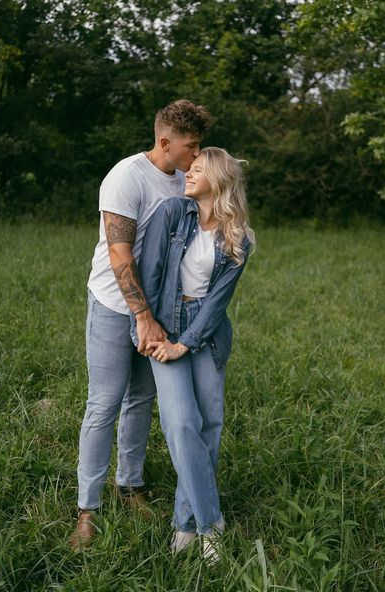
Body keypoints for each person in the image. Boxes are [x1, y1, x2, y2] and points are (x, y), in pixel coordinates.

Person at [70, 100, 212, 550]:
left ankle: (128, 486)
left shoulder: (183, 182)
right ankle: (87, 509)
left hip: (161, 312)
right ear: (165, 141)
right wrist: (142, 317)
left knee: (141, 401)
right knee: (104, 405)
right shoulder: (126, 177)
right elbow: (119, 255)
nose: (196, 156)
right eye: (190, 146)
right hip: (116, 306)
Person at [133, 147, 255, 562]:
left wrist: (186, 343)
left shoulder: (239, 238)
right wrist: (149, 326)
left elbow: (218, 302)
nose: (188, 172)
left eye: (198, 170)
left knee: (209, 427)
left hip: (206, 332)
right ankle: (211, 523)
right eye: (190, 167)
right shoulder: (172, 213)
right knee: (182, 424)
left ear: (218, 181)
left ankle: (185, 523)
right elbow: (150, 274)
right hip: (164, 322)